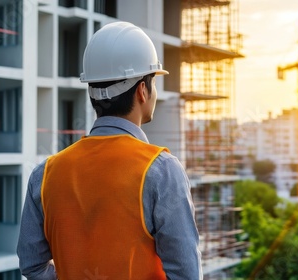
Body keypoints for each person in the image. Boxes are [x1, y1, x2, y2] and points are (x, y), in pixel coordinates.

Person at [17, 21, 202, 280]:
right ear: (142, 90)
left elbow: (32, 265)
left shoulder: (45, 174)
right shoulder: (161, 171)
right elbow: (187, 275)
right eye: (154, 82)